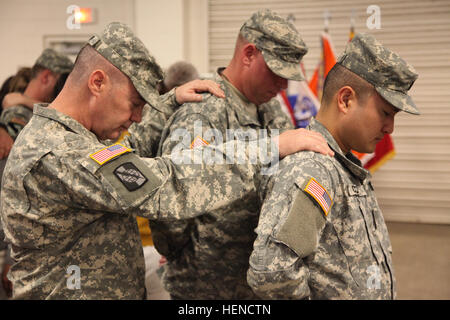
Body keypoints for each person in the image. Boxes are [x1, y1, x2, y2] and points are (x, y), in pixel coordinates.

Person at [0, 22, 328, 300]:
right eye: (135, 102)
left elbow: (132, 150)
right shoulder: (55, 155)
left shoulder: (80, 138)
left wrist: (171, 100)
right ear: (97, 82)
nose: (139, 116)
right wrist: (268, 147)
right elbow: (163, 186)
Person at [151, 9, 334, 299]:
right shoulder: (203, 110)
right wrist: (174, 251)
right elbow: (171, 199)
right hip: (207, 284)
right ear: (249, 54)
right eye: (277, 73)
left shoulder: (271, 109)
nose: (284, 86)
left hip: (257, 283)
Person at [247, 33, 420, 299]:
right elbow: (273, 274)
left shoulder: (341, 164)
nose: (390, 128)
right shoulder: (313, 168)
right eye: (385, 113)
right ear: (346, 100)